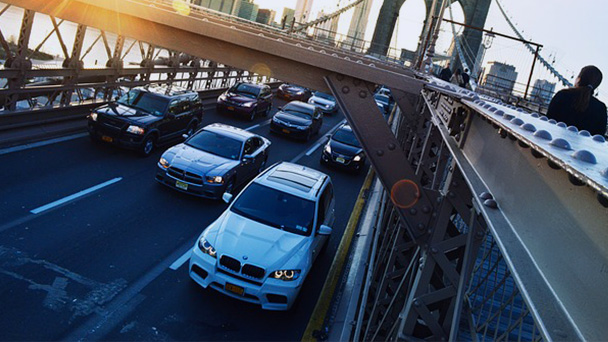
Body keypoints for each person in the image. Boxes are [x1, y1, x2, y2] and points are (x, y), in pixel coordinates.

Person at [547, 65, 607, 136]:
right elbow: (599, 136)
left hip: (555, 142)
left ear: (579, 78)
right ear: (596, 85)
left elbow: (548, 121)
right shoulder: (601, 108)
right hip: (582, 147)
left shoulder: (562, 95)